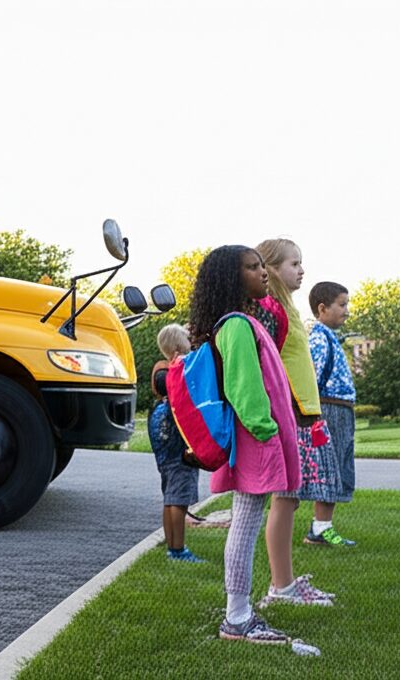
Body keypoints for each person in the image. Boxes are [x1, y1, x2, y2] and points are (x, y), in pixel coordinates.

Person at [189, 245, 323, 645]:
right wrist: (265, 431)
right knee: (245, 525)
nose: (262, 273)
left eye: (262, 265)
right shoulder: (236, 326)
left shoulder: (244, 321)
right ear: (231, 279)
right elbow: (244, 388)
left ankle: (240, 610)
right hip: (256, 441)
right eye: (252, 268)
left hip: (258, 439)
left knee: (246, 523)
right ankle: (237, 616)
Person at [256, 238, 354, 567]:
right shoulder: (271, 311)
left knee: (289, 498)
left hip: (304, 413)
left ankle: (283, 583)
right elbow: (273, 364)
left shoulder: (286, 311)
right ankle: (279, 586)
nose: (301, 270)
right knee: (283, 497)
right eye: (294, 263)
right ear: (270, 268)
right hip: (293, 413)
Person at [148, 323, 205, 563]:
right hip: (179, 444)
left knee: (170, 497)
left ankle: (172, 546)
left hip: (163, 444)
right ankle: (179, 550)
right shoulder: (179, 369)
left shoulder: (162, 371)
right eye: (188, 345)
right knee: (179, 499)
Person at [308, 281, 358, 543]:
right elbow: (311, 378)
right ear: (322, 308)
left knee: (340, 464)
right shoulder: (319, 338)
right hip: (330, 409)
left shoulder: (330, 337)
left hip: (340, 409)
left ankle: (322, 526)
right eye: (342, 305)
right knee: (331, 466)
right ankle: (320, 528)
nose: (347, 311)